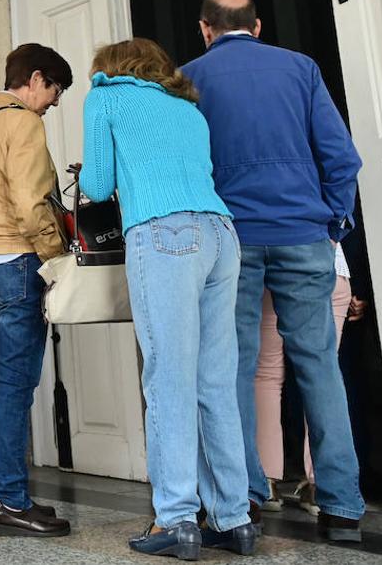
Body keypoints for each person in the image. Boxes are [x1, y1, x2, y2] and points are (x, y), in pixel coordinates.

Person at [182, 0, 364, 543]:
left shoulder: (189, 78)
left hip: (230, 239)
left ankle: (244, 498)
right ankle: (342, 507)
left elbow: (185, 162)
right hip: (302, 234)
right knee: (319, 367)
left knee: (232, 367)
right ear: (257, 26)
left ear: (205, 29)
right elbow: (341, 156)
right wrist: (332, 222)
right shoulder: (300, 68)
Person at [81, 38, 256, 559]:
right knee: (216, 382)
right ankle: (233, 518)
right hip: (222, 235)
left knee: (169, 379)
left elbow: (96, 182)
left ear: (110, 68)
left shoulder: (105, 96)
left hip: (163, 235)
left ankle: (177, 519)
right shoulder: (187, 106)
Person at [0, 43, 73, 538]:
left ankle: (6, 492)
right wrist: (55, 255)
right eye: (54, 89)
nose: (54, 101)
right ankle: (9, 498)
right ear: (35, 79)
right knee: (15, 385)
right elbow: (31, 204)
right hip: (16, 259)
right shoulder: (23, 122)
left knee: (4, 384)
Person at [254, 242, 359, 514]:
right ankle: (321, 486)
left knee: (266, 375)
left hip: (274, 267)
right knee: (323, 374)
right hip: (332, 269)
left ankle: (266, 481)